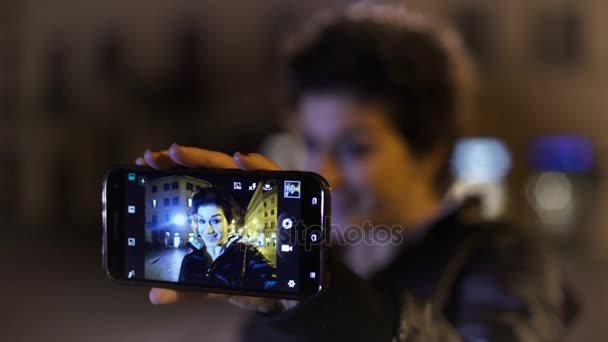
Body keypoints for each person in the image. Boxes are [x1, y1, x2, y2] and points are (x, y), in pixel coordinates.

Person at [136, 3, 576, 341]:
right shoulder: (302, 262)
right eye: (310, 142)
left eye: (355, 148)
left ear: (429, 149)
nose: (325, 172)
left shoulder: (502, 258)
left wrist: (327, 298)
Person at [179, 187, 277, 290]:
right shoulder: (188, 260)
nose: (209, 230)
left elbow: (271, 279)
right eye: (202, 221)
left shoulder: (246, 256)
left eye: (216, 221)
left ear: (229, 223)